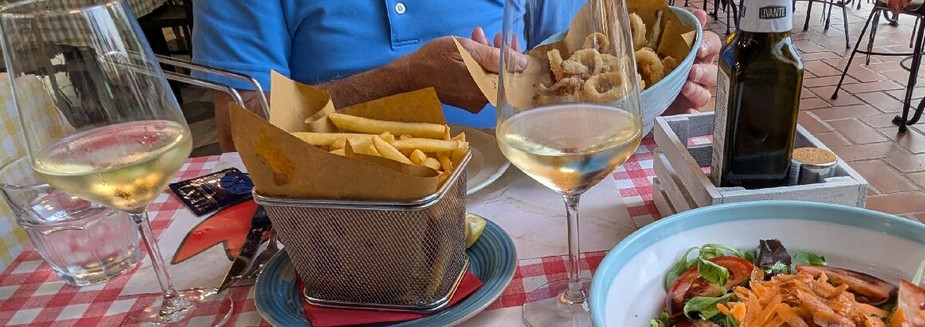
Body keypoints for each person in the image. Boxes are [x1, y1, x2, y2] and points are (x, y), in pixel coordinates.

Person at [191, 0, 719, 151]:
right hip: (339, 213)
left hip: (522, 189)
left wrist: (649, 100)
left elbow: (572, 70)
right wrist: (403, 80)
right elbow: (239, 128)